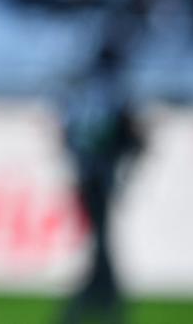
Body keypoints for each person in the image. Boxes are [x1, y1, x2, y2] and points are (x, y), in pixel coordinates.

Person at [58, 36, 145, 324]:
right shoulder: (116, 92)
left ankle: (97, 295)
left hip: (88, 172)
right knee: (102, 239)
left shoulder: (83, 91)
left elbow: (68, 132)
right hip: (102, 173)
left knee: (100, 239)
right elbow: (136, 137)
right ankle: (103, 295)